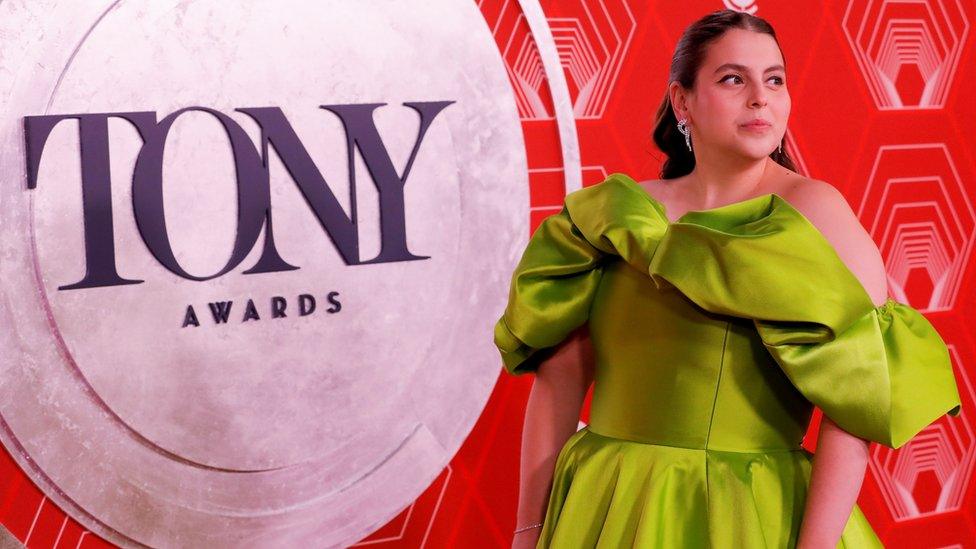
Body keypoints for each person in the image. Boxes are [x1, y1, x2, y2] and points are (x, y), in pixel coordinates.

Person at [493, 9, 963, 549]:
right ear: (682, 101)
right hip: (606, 503)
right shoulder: (613, 216)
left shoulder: (816, 212)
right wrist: (528, 531)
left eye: (775, 79)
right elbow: (561, 380)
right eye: (733, 78)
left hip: (743, 514)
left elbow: (855, 408)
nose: (761, 98)